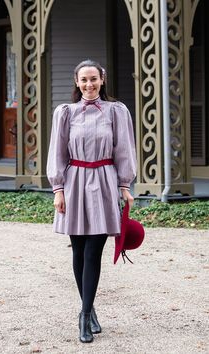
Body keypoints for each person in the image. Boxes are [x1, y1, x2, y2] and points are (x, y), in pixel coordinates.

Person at [46, 59, 137, 343]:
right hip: (74, 183)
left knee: (93, 251)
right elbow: (57, 153)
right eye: (84, 79)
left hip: (105, 182)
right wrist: (58, 189)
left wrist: (125, 186)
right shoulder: (65, 113)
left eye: (94, 79)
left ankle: (84, 315)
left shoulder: (116, 111)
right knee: (78, 250)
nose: (89, 84)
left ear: (102, 79)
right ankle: (89, 307)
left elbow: (124, 149)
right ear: (76, 81)